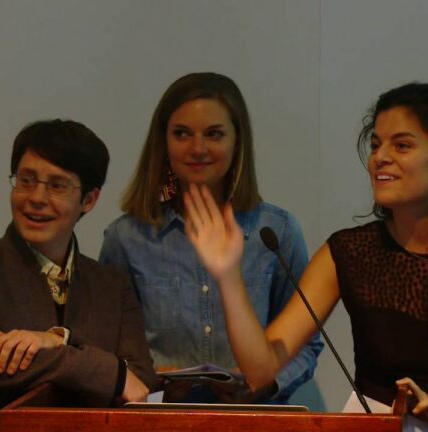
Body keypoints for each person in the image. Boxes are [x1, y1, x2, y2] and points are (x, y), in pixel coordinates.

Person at [182, 83, 428, 430]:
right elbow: (260, 369)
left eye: (402, 146)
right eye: (376, 145)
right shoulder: (347, 252)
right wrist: (227, 275)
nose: (380, 158)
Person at [99, 72, 323, 403]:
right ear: (163, 143)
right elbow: (108, 346)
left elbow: (305, 344)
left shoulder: (276, 232)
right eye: (182, 134)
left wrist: (261, 384)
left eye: (214, 134)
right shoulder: (126, 238)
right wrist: (150, 380)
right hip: (160, 418)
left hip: (254, 418)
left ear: (237, 142)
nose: (198, 148)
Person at [0, 119, 158, 431]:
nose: (37, 198)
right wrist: (103, 370)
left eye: (57, 186)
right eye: (26, 180)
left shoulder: (112, 286)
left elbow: (140, 379)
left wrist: (59, 339)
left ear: (89, 200)